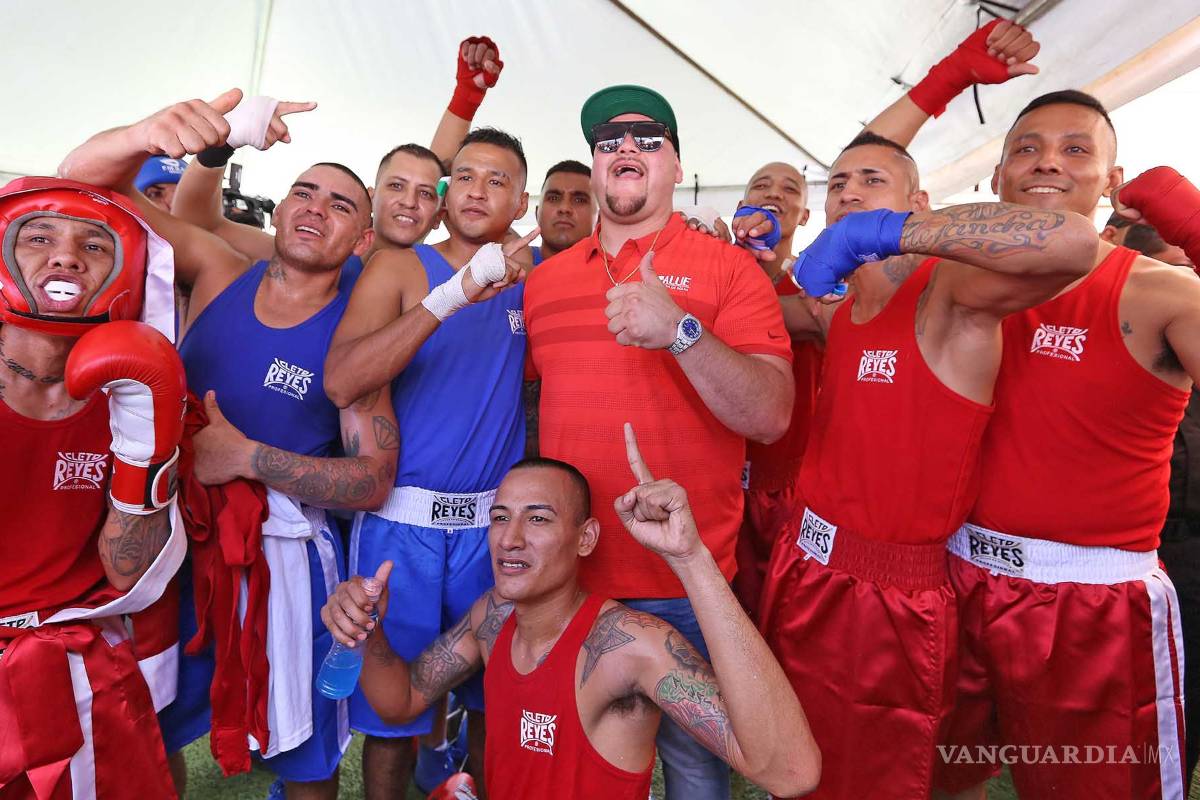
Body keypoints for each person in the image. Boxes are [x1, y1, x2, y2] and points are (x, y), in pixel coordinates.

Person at [59, 91, 401, 800]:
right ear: (278, 211)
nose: (315, 207)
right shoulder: (217, 270)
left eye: (341, 205)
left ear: (364, 240)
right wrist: (204, 143)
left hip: (282, 562)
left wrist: (249, 458)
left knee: (304, 756)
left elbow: (372, 479)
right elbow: (83, 181)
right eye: (304, 191)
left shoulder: (357, 336)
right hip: (168, 537)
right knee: (142, 724)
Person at [760, 119, 1099, 798]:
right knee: (791, 768)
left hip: (887, 592)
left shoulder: (951, 298)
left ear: (916, 204)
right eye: (838, 185)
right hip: (803, 563)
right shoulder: (836, 311)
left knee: (871, 781)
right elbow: (749, 306)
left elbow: (1076, 242)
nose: (849, 193)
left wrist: (878, 235)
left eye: (871, 180)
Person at [523, 83, 795, 800]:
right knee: (573, 767)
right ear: (594, 169)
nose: (627, 149)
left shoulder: (730, 271)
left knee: (698, 774)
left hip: (684, 581)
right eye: (609, 141)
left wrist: (680, 331)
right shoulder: (544, 283)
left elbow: (770, 414)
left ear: (676, 166)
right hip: (568, 578)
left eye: (649, 138)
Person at [926, 95, 1200, 800]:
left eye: (1077, 149)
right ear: (996, 177)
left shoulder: (1159, 290)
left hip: (1092, 606)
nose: (1048, 159)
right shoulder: (944, 287)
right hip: (954, 578)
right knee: (934, 781)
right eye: (1027, 147)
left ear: (1113, 178)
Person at [320, 426, 821, 799]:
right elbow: (400, 701)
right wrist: (369, 629)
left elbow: (791, 773)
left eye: (538, 518)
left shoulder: (630, 646)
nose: (510, 538)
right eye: (500, 517)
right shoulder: (492, 618)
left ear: (586, 539)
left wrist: (691, 559)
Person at [322, 126, 534, 799]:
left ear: (520, 201)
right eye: (463, 176)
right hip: (400, 525)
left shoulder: (538, 283)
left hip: (491, 531)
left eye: (495, 179)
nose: (475, 189)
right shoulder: (401, 267)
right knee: (391, 717)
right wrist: (454, 293)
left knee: (492, 699)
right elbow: (342, 380)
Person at [0, 176, 187, 798]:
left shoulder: (128, 395)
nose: (65, 256)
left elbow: (128, 570)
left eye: (95, 245)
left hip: (80, 658)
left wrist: (144, 449)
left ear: (124, 275)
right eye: (39, 236)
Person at [532, 159, 597, 265]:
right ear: (537, 212)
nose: (564, 208)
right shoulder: (506, 264)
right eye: (553, 198)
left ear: (598, 218)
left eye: (579, 200)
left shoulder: (617, 277)